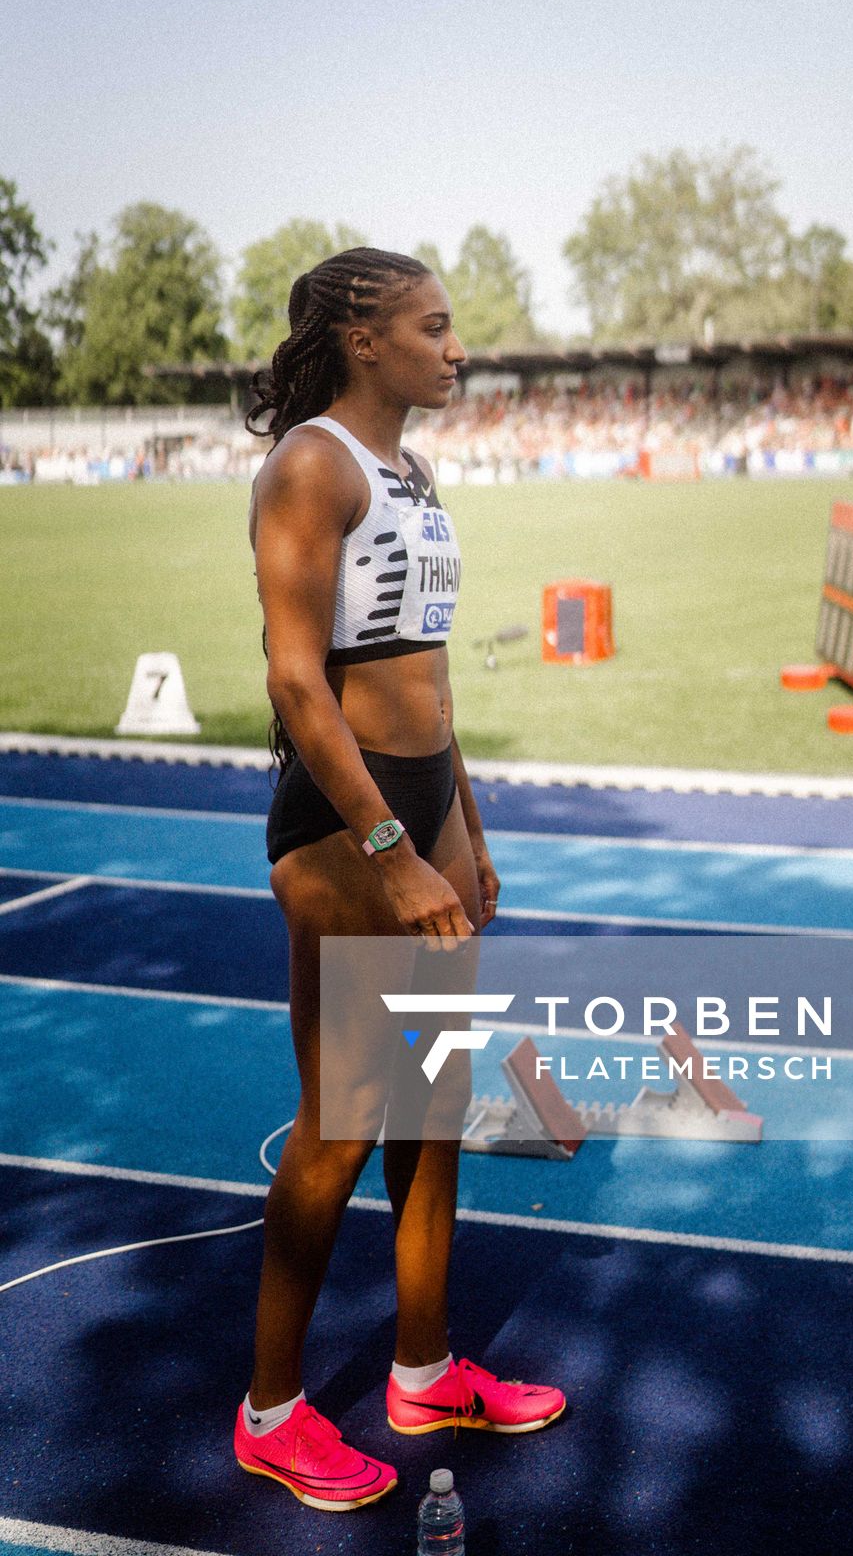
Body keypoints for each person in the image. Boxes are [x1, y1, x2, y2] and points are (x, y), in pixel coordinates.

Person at [236, 247, 564, 1512]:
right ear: (364, 338)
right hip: (340, 826)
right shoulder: (310, 464)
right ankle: (269, 1412)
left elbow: (429, 678)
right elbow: (297, 684)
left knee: (435, 1108)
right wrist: (388, 848)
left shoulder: (410, 471)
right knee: (339, 1125)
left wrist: (463, 834)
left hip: (421, 817)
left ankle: (423, 1370)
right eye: (435, 327)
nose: (457, 346)